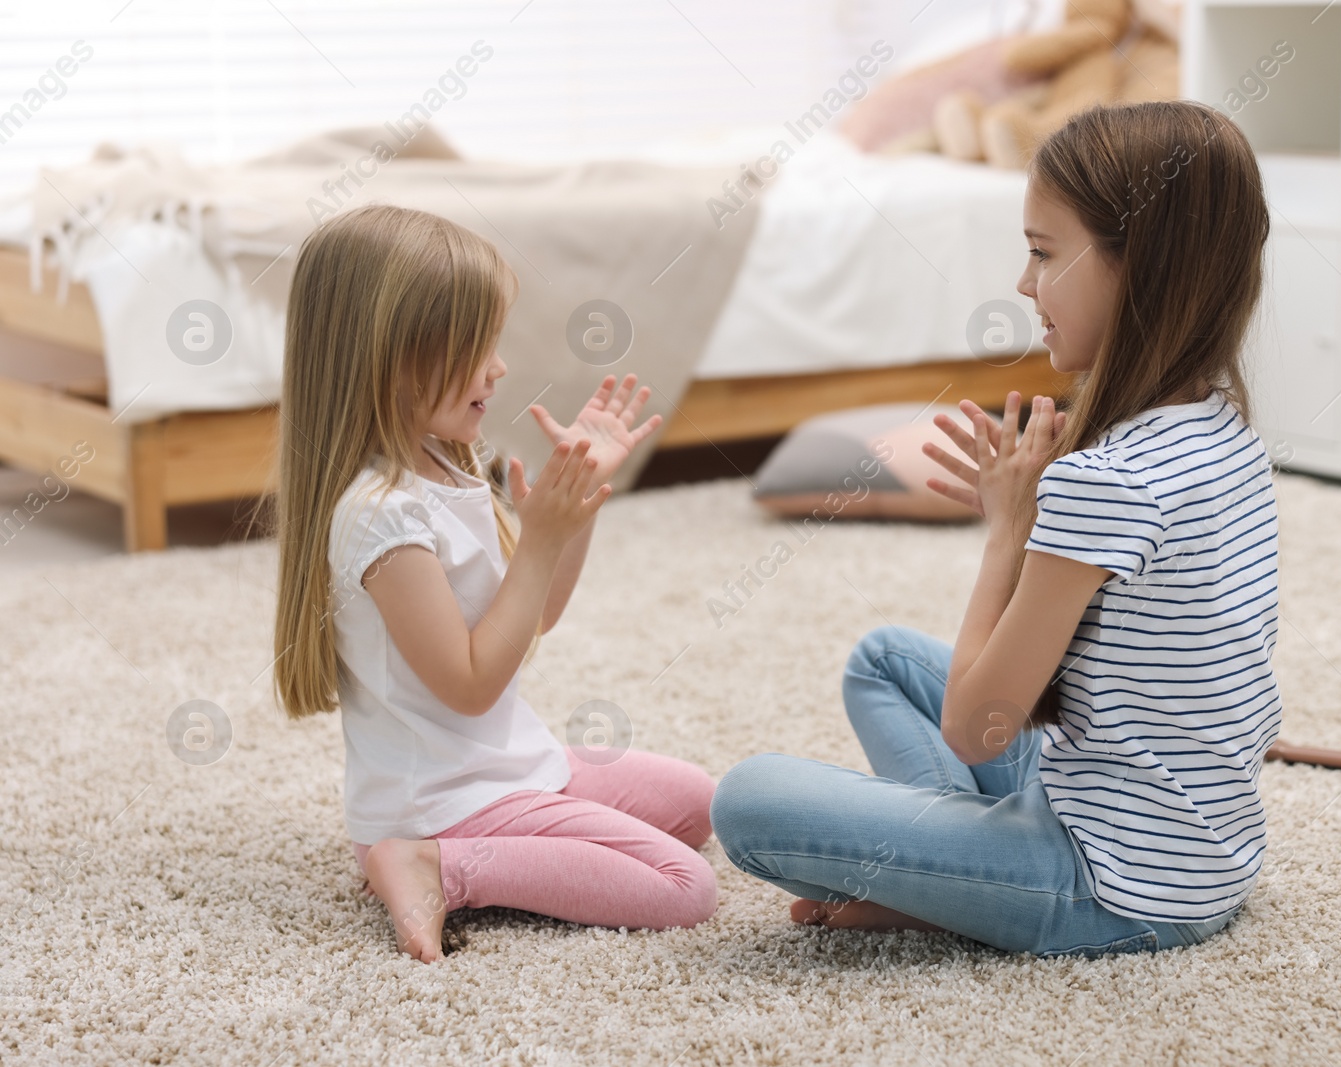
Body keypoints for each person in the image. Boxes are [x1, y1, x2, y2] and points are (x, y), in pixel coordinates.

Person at [710, 100, 1282, 956]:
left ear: (1140, 270)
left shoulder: (1105, 479)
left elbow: (975, 728)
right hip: (1204, 853)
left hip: (1113, 883)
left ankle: (960, 883)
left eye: (1043, 253)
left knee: (745, 800)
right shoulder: (1227, 431)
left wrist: (1010, 530)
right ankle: (959, 866)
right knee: (884, 659)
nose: (1023, 284)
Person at [272, 204, 717, 963]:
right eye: (478, 347)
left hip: (505, 763)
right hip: (438, 803)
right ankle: (432, 864)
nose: (499, 366)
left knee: (700, 803)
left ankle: (494, 837)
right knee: (686, 886)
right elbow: (471, 684)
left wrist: (574, 512)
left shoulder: (445, 462)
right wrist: (538, 535)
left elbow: (532, 616)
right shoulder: (380, 516)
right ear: (392, 359)